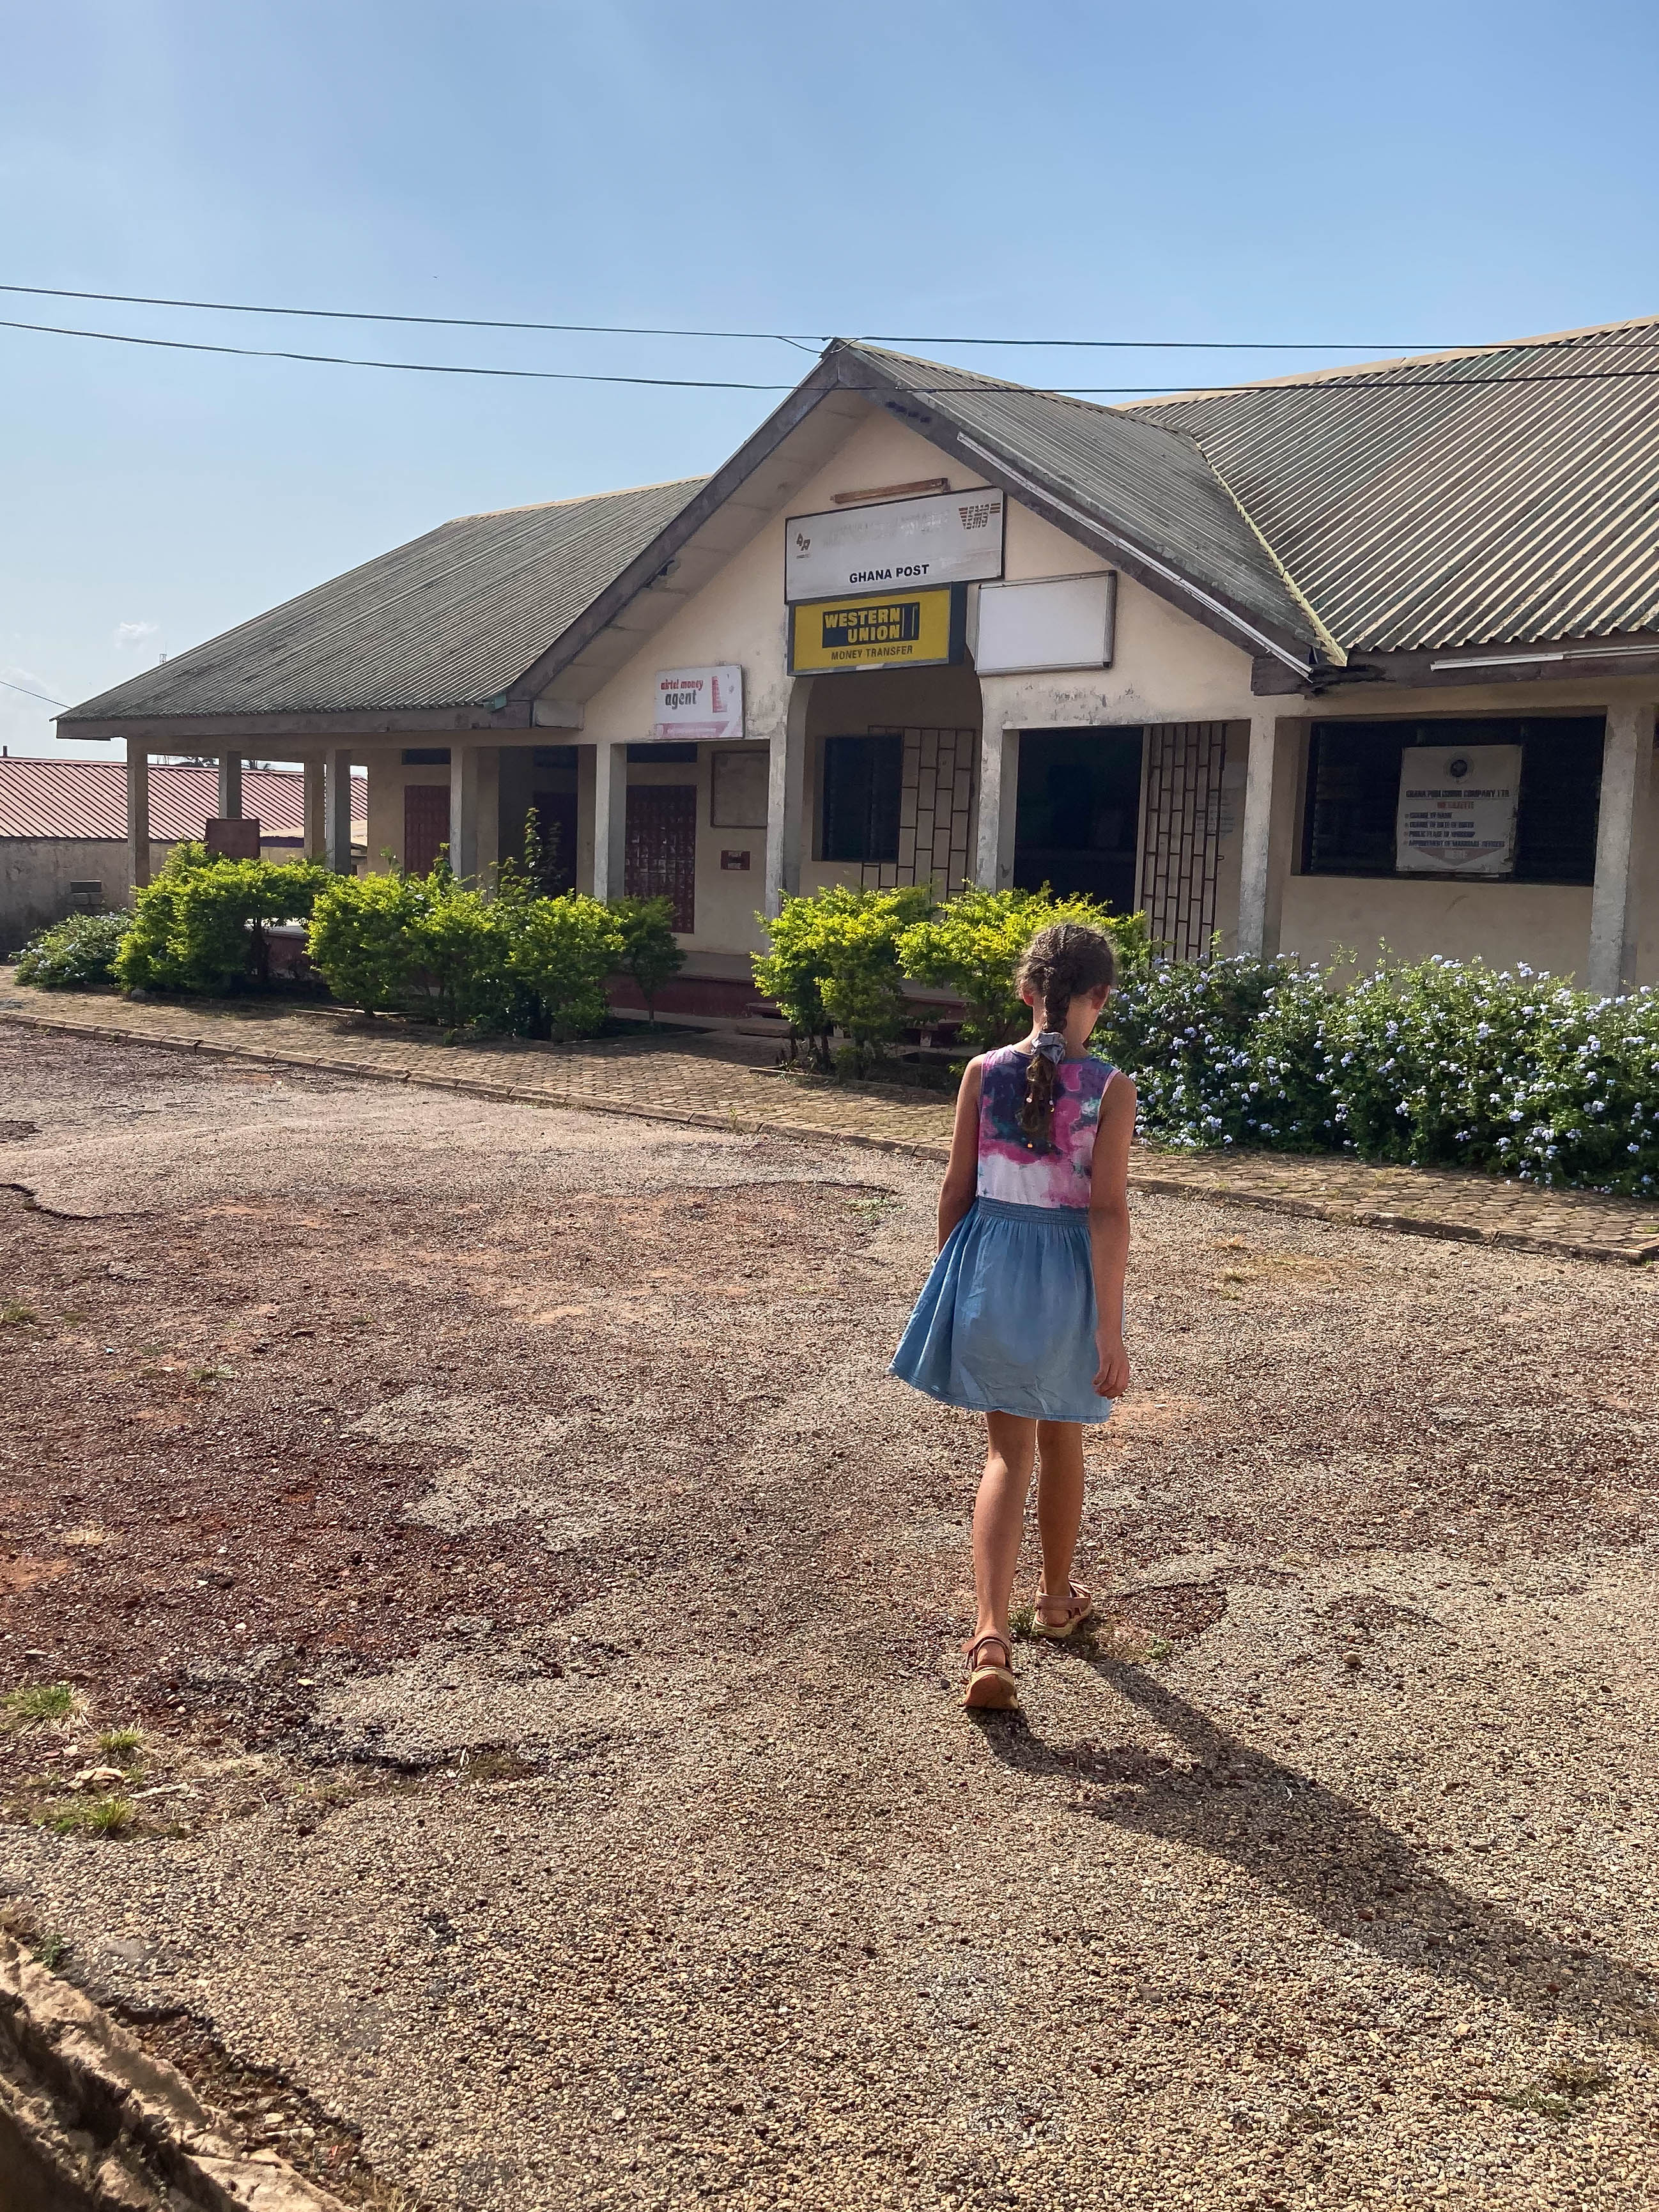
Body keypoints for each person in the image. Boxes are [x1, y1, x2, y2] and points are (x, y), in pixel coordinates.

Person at [889, 921, 1134, 1710]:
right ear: (1100, 997)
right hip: (1067, 1278)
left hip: (990, 1265)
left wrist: (952, 1284)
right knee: (1063, 1439)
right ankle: (1055, 1601)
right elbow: (1107, 1213)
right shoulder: (1109, 1088)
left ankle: (990, 1635)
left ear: (1026, 993)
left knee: (1005, 1454)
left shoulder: (981, 1071)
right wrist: (1109, 1331)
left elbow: (955, 1191)